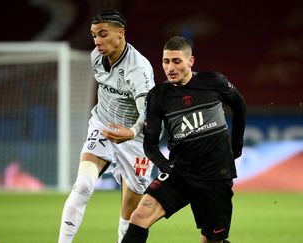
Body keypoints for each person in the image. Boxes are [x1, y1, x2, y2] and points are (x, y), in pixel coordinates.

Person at [121, 36, 247, 243]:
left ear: (190, 61)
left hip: (216, 174)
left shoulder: (212, 81)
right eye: (166, 61)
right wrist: (165, 165)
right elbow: (150, 144)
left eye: (176, 61)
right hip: (180, 172)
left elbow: (239, 105)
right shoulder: (158, 96)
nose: (170, 67)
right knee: (140, 215)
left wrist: (237, 146)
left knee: (212, 239)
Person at [58, 9, 156, 243]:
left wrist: (131, 131)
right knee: (82, 185)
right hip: (103, 125)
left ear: (120, 33)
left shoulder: (139, 69)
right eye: (94, 35)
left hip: (135, 140)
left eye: (103, 34)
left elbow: (148, 111)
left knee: (130, 214)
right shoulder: (95, 57)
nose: (97, 41)